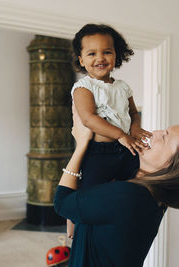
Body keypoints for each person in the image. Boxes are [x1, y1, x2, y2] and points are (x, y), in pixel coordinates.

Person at [54, 106, 179, 267]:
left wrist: (81, 144)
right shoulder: (151, 193)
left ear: (173, 167)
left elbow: (62, 201)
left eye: (165, 138)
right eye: (164, 130)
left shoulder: (131, 196)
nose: (157, 132)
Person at [67, 23, 152, 238]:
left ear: (117, 55)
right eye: (92, 53)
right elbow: (89, 119)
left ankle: (122, 226)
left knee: (131, 192)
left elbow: (134, 113)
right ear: (81, 60)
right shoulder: (84, 87)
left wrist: (134, 130)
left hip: (125, 149)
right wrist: (121, 135)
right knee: (90, 195)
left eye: (107, 52)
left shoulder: (123, 87)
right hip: (99, 154)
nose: (100, 58)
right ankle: (77, 227)